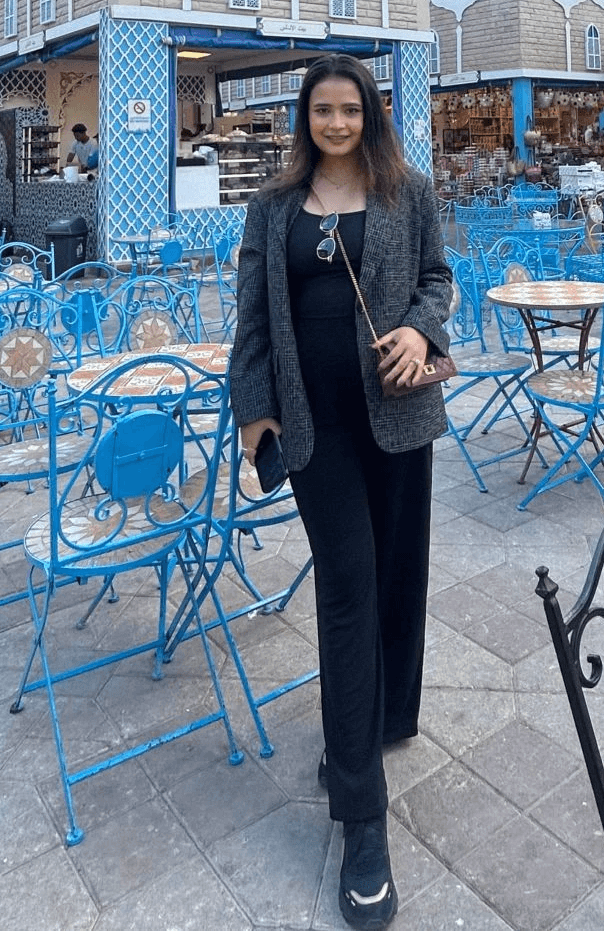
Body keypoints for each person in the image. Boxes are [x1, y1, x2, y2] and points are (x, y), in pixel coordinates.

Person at [229, 53, 452, 930]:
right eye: (321, 110)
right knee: (349, 592)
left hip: (397, 419)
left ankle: (382, 718)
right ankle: (361, 813)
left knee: (399, 576)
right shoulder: (273, 207)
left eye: (348, 109)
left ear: (369, 114)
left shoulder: (409, 192)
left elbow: (438, 280)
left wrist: (414, 327)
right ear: (304, 118)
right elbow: (249, 315)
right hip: (315, 431)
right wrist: (253, 413)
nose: (335, 123)